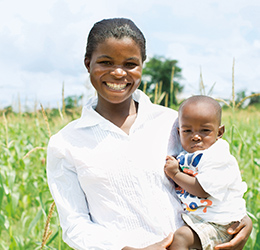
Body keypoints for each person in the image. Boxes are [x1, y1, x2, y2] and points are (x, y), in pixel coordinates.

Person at [47, 18, 252, 250]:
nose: (117, 72)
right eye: (105, 62)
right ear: (88, 64)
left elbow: (218, 173)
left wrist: (240, 219)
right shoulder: (65, 143)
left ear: (142, 66)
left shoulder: (174, 123)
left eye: (130, 64)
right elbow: (75, 224)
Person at [164, 95, 248, 250]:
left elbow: (202, 190)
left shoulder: (218, 155)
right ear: (178, 132)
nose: (195, 136)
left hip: (222, 223)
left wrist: (175, 174)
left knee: (181, 237)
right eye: (187, 130)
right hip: (203, 220)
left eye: (205, 130)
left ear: (219, 132)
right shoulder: (189, 153)